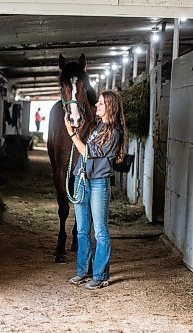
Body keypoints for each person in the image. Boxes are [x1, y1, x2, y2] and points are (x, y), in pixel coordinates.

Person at [64, 90, 127, 290]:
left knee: (100, 231)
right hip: (83, 179)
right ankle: (83, 271)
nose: (96, 106)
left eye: (100, 103)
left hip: (99, 183)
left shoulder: (114, 132)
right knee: (82, 230)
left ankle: (100, 275)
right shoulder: (97, 127)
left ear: (110, 107)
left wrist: (71, 133)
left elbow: (88, 152)